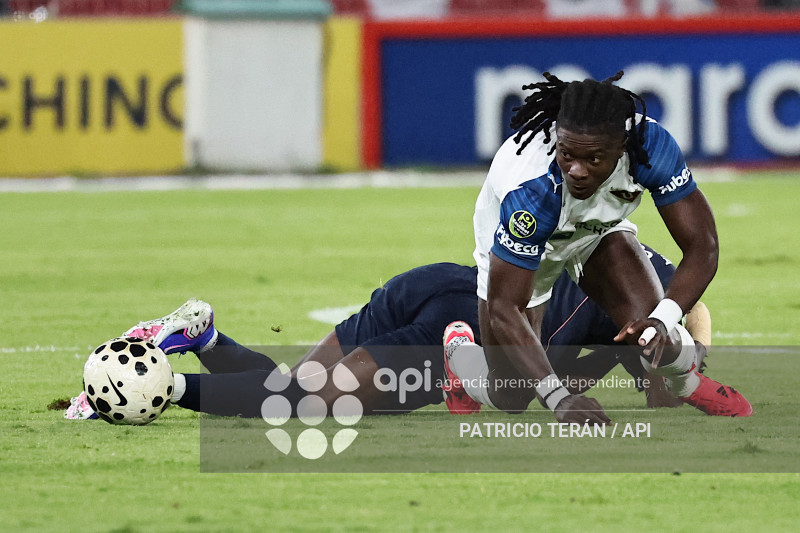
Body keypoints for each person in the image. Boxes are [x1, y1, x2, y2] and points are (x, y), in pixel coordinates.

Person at [66, 246, 709, 420]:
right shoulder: (638, 308)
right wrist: (687, 372)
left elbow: (692, 308)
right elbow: (689, 322)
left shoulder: (621, 260)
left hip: (436, 280)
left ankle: (202, 338)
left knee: (290, 393)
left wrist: (682, 361)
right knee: (304, 407)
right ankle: (163, 388)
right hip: (458, 329)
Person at [444, 71, 751, 425]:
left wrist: (663, 319)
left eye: (593, 159)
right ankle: (459, 354)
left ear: (621, 148)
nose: (576, 170)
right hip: (531, 246)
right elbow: (504, 308)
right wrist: (560, 400)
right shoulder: (531, 193)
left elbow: (703, 248)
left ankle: (687, 383)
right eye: (567, 154)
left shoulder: (649, 147)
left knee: (656, 331)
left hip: (597, 232)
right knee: (511, 393)